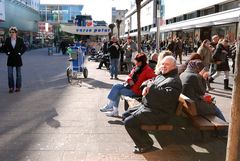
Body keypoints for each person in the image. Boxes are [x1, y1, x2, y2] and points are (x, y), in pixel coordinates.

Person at [123, 56, 182, 154]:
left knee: (129, 122)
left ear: (174, 66)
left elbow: (167, 97)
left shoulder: (174, 80)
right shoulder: (163, 75)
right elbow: (148, 81)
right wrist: (146, 86)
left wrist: (151, 87)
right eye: (162, 64)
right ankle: (146, 141)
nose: (163, 66)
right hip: (149, 107)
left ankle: (144, 145)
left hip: (159, 113)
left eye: (167, 64)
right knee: (125, 115)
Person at [100, 53, 156, 117]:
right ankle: (112, 108)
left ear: (141, 62)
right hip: (130, 86)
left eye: (137, 62)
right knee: (116, 86)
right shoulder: (137, 67)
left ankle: (112, 108)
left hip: (137, 91)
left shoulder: (148, 70)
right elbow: (129, 76)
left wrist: (145, 86)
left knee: (117, 91)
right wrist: (129, 80)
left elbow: (154, 80)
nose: (135, 63)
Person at [2, 26, 27, 93]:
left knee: (18, 74)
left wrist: (20, 53)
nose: (11, 33)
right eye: (10, 32)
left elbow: (24, 48)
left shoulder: (20, 39)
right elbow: (3, 48)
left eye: (13, 32)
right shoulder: (7, 39)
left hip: (18, 59)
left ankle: (18, 87)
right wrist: (7, 53)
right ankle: (11, 87)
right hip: (10, 59)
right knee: (10, 74)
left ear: (16, 33)